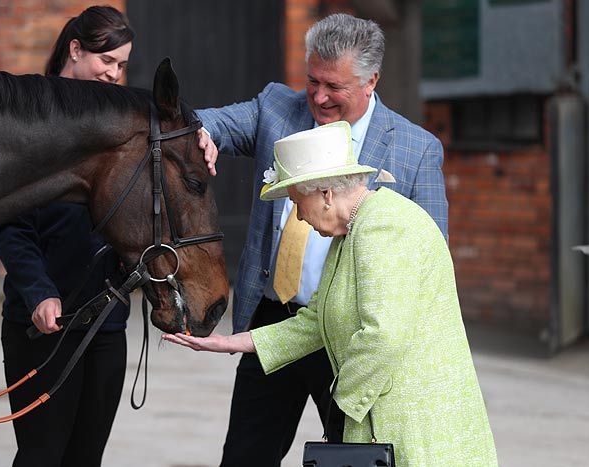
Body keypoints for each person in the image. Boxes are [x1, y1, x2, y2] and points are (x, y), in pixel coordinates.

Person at [163, 121, 498, 466]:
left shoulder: (384, 226)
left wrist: (339, 399)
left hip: (417, 430)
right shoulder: (350, 232)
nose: (297, 216)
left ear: (325, 194)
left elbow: (383, 336)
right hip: (384, 425)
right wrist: (235, 343)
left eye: (296, 201)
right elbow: (316, 319)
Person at [195, 13, 448, 466]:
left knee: (349, 458)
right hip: (273, 322)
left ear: (371, 80)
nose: (318, 96)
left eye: (334, 86)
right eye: (312, 80)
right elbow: (211, 122)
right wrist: (203, 135)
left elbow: (430, 262)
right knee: (244, 457)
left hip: (354, 338)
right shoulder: (278, 108)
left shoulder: (415, 150)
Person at [0, 6, 135, 467]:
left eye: (121, 65)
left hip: (106, 323)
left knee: (86, 458)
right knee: (42, 457)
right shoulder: (29, 121)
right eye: (105, 61)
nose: (113, 74)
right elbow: (8, 225)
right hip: (42, 325)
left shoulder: (117, 127)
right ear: (75, 49)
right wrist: (38, 293)